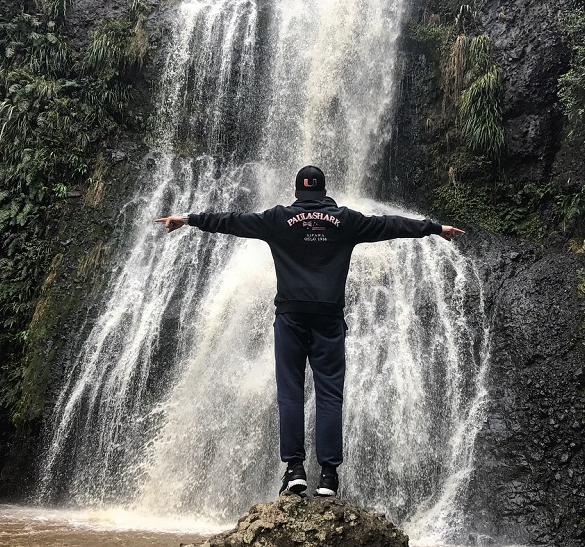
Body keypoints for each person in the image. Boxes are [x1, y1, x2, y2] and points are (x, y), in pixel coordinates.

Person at [155, 165, 464, 499]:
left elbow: (231, 221)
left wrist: (186, 219)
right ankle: (329, 476)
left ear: (297, 192)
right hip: (328, 317)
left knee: (290, 393)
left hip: (290, 316)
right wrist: (434, 228)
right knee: (330, 395)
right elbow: (391, 225)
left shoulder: (277, 219)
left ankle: (295, 470)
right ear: (323, 191)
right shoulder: (347, 220)